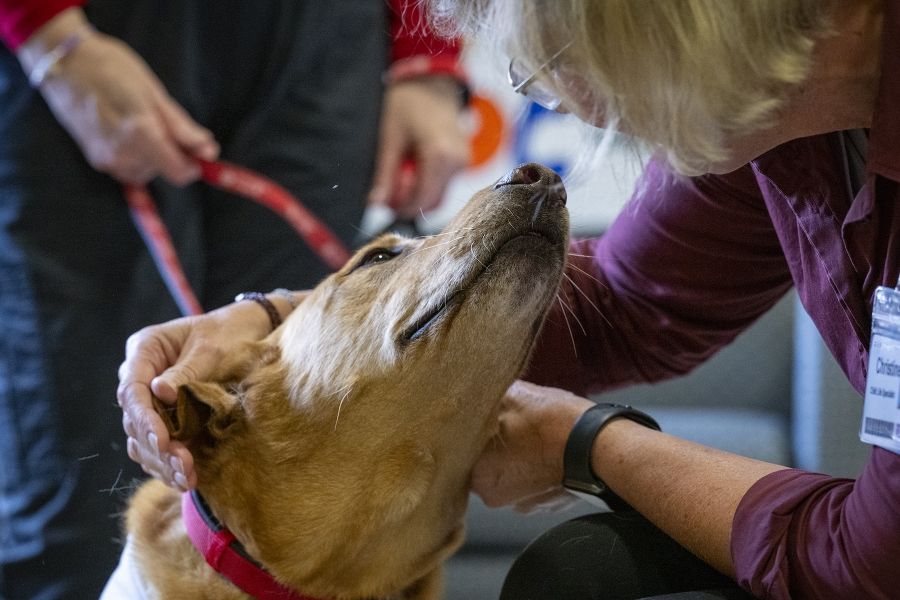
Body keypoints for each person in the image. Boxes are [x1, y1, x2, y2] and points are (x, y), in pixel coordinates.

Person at [119, 0, 900, 598]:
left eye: (555, 61)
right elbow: (622, 306)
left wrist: (592, 443)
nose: (565, 108)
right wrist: (266, 323)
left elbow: (871, 562)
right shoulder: (773, 121)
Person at [0, 1, 468, 598]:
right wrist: (48, 37)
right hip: (88, 32)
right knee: (81, 510)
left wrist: (427, 55)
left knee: (298, 497)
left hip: (323, 42)